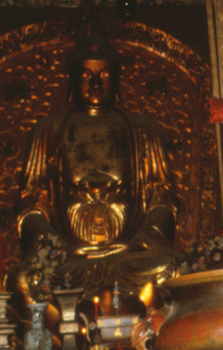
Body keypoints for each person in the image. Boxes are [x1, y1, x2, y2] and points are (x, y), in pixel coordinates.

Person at [11, 33, 181, 309]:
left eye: (103, 75)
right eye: (86, 75)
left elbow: (163, 198)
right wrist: (54, 244)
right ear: (71, 80)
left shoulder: (144, 130)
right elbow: (29, 204)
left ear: (116, 80)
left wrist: (143, 239)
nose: (94, 83)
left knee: (174, 270)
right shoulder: (47, 131)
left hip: (130, 255)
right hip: (71, 257)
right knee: (24, 278)